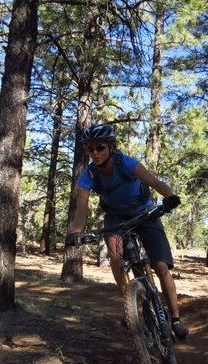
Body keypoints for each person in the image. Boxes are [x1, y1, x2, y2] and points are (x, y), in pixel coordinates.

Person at [65, 124, 189, 340]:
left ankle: (176, 318)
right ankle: (130, 306)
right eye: (90, 149)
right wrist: (76, 234)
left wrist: (170, 196)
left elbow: (155, 182)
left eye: (100, 147)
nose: (95, 153)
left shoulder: (127, 163)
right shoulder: (88, 176)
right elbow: (81, 211)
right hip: (116, 217)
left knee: (160, 266)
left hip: (144, 213)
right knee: (115, 255)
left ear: (111, 147)